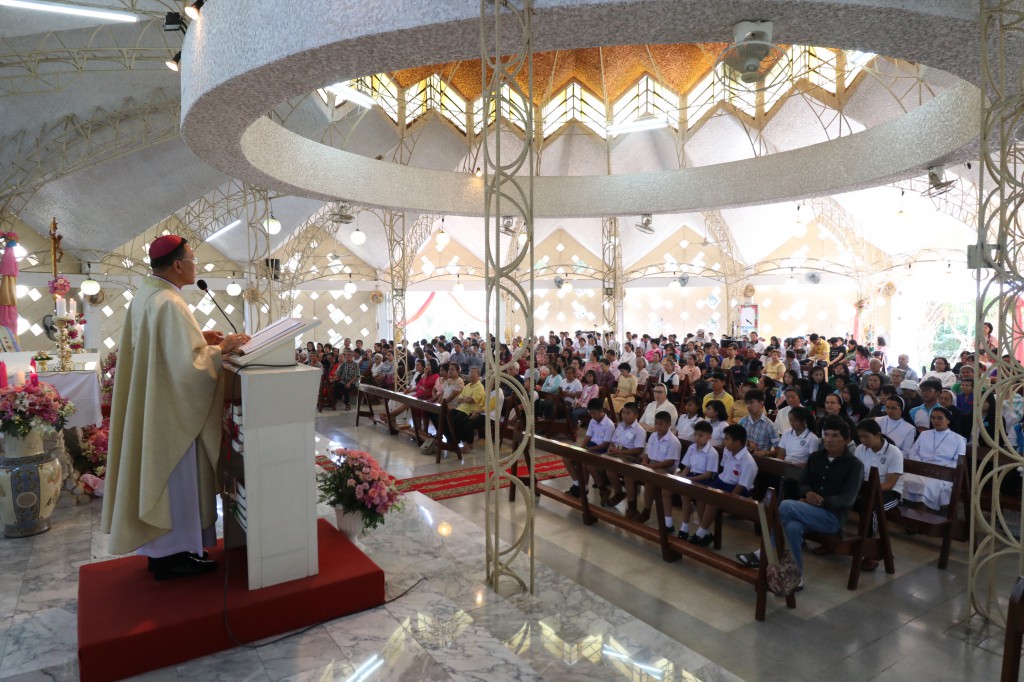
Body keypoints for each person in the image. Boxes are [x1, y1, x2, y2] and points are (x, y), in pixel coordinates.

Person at [102, 235, 251, 581]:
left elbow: (169, 350)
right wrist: (222, 349)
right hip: (171, 414)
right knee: (176, 480)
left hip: (158, 404)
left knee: (169, 479)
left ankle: (170, 552)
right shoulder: (169, 302)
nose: (196, 266)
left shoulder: (148, 294)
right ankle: (172, 555)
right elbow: (188, 369)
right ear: (178, 265)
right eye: (193, 260)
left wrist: (202, 339)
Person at [736, 417, 864, 591]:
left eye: (835, 436)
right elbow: (804, 482)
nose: (829, 439)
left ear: (846, 439)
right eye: (826, 435)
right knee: (792, 528)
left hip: (832, 518)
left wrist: (820, 502)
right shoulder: (816, 457)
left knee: (786, 506)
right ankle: (796, 578)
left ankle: (763, 552)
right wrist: (807, 493)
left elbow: (848, 498)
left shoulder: (854, 465)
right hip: (808, 511)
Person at [688, 424, 757, 547]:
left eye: (727, 439)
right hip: (722, 481)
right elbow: (725, 469)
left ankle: (700, 533)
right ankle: (705, 532)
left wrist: (728, 499)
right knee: (701, 494)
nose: (724, 442)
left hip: (737, 488)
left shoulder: (748, 462)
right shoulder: (727, 450)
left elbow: (741, 485)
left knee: (713, 499)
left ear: (737, 443)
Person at [853, 420, 904, 571]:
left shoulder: (894, 452)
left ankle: (871, 551)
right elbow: (856, 474)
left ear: (878, 435)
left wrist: (869, 490)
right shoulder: (860, 449)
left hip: (890, 493)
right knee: (842, 501)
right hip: (866, 489)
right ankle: (838, 541)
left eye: (866, 437)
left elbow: (890, 484)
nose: (863, 440)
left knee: (873, 511)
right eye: (860, 437)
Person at [902, 407, 967, 511]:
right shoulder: (924, 434)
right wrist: (922, 466)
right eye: (933, 418)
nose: (935, 421)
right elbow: (914, 453)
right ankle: (903, 514)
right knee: (902, 480)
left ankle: (921, 517)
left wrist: (937, 469)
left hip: (942, 474)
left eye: (939, 418)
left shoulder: (959, 439)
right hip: (920, 470)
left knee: (926, 486)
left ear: (948, 420)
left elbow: (957, 462)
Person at [628, 411, 682, 526]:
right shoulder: (653, 436)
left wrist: (653, 466)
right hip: (650, 464)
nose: (657, 426)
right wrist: (644, 462)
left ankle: (646, 510)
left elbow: (670, 462)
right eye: (656, 423)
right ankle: (631, 507)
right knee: (629, 475)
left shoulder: (673, 441)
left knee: (650, 480)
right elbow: (647, 453)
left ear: (669, 425)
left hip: (665, 469)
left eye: (661, 424)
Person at [675, 421, 719, 539]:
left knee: (700, 498)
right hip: (691, 477)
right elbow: (687, 467)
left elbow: (708, 475)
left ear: (709, 437)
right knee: (685, 496)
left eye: (701, 435)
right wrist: (682, 476)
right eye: (695, 434)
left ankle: (703, 530)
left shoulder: (712, 453)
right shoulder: (691, 448)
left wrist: (690, 479)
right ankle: (684, 527)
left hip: (703, 480)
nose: (697, 438)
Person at [599, 402, 647, 508]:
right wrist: (610, 449)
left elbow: (638, 450)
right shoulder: (620, 425)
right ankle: (602, 489)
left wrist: (619, 452)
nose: (624, 415)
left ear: (636, 415)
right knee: (594, 462)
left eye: (628, 413)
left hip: (628, 456)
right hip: (615, 452)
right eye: (623, 412)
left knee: (611, 470)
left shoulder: (639, 430)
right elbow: (613, 441)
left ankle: (618, 493)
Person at [564, 398, 613, 498]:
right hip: (590, 447)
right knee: (566, 458)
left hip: (600, 451)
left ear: (601, 410)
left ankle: (584, 487)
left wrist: (588, 450)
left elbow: (605, 444)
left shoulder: (609, 424)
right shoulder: (592, 421)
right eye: (590, 414)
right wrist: (580, 449)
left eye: (594, 413)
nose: (592, 416)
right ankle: (577, 483)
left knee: (584, 461)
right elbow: (587, 437)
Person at [739, 389, 779, 457]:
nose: (748, 406)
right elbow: (735, 440)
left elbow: (778, 451)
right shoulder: (742, 421)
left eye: (751, 402)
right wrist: (747, 443)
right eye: (747, 403)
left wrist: (765, 453)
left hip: (760, 461)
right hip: (741, 458)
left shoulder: (770, 426)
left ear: (761, 404)